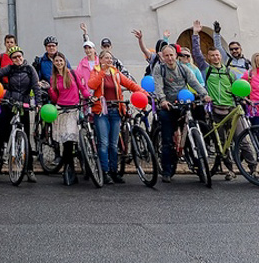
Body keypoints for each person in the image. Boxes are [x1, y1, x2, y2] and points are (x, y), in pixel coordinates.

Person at [190, 19, 238, 178]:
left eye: (217, 55)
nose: (216, 57)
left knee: (239, 140)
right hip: (215, 109)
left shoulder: (228, 70)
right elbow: (196, 53)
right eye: (212, 56)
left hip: (231, 107)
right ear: (209, 58)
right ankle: (230, 170)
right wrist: (196, 34)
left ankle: (250, 168)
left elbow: (221, 49)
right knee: (222, 141)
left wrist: (216, 34)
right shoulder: (206, 69)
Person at [153, 42, 208, 182]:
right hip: (168, 106)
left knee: (192, 133)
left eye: (171, 55)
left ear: (176, 56)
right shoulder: (160, 69)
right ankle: (166, 170)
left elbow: (194, 82)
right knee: (167, 140)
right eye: (166, 56)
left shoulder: (184, 69)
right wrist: (163, 100)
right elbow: (158, 86)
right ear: (163, 57)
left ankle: (199, 166)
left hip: (183, 104)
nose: (169, 58)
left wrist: (204, 95)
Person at [87, 49, 141, 185]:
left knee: (113, 143)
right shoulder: (96, 71)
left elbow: (129, 83)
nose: (109, 61)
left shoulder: (115, 73)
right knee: (104, 143)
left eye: (110, 59)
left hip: (115, 110)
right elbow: (91, 85)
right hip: (101, 112)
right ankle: (104, 172)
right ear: (100, 60)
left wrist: (142, 92)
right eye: (106, 58)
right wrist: (101, 73)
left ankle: (114, 171)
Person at [0, 47, 39, 181]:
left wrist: (38, 103)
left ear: (23, 57)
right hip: (10, 102)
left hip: (24, 104)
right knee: (1, 130)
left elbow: (36, 86)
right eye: (15, 57)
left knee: (26, 137)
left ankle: (29, 169)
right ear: (11, 59)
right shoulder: (9, 69)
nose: (18, 59)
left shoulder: (30, 69)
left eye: (19, 56)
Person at [45, 51, 89, 185]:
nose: (59, 63)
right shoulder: (53, 78)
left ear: (64, 61)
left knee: (72, 141)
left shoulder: (73, 73)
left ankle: (77, 167)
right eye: (56, 61)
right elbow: (55, 97)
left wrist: (89, 97)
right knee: (67, 144)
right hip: (61, 110)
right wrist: (49, 90)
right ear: (54, 63)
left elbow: (82, 88)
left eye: (61, 60)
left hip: (74, 109)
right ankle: (69, 170)